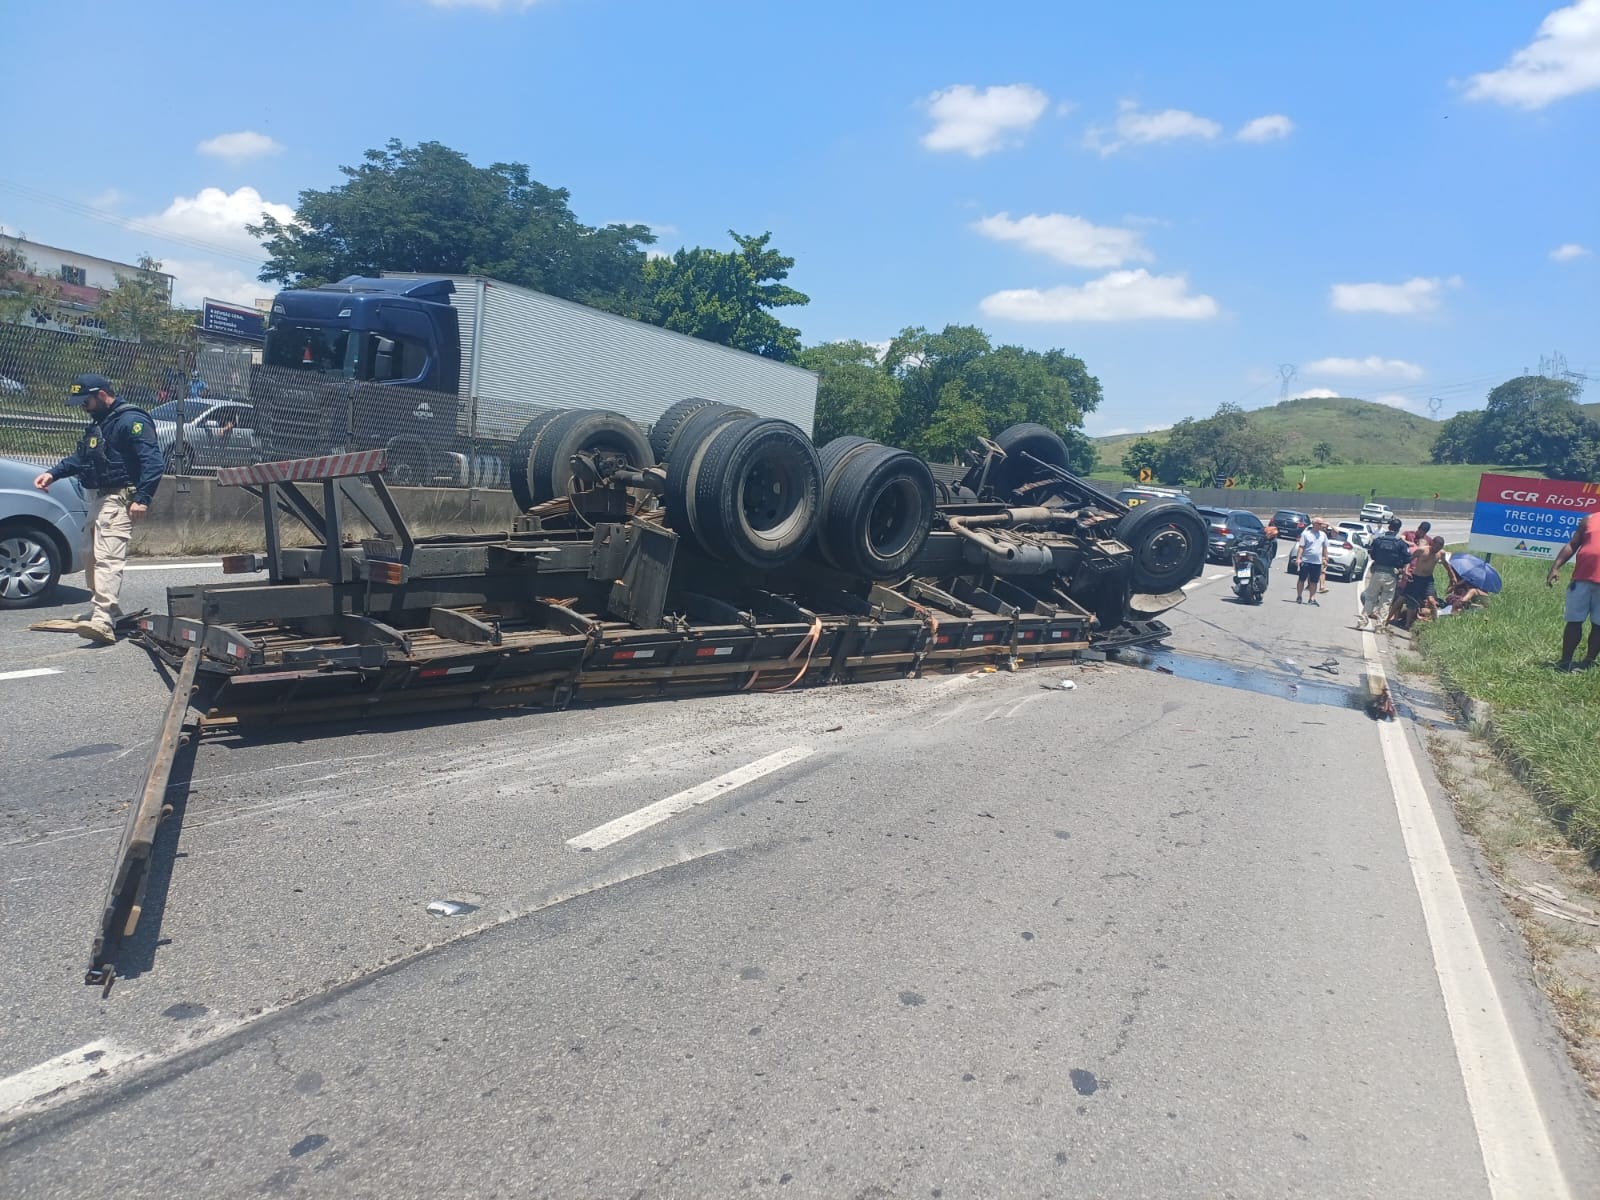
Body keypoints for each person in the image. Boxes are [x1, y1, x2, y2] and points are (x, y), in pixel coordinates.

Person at [32, 373, 164, 645]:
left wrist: (142, 498)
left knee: (107, 558)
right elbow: (82, 458)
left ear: (102, 395)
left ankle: (103, 619)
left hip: (119, 500)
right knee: (90, 556)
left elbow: (153, 462)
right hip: (98, 500)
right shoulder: (101, 424)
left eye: (86, 401)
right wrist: (53, 473)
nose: (83, 406)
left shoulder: (132, 421)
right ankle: (108, 610)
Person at [1547, 510, 1600, 671]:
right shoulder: (1589, 519)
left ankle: (1588, 661)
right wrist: (1555, 567)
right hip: (1581, 579)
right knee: (1573, 621)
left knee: (1599, 625)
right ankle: (1565, 661)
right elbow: (1572, 544)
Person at [1358, 517, 1410, 631]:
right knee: (1386, 601)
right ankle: (1379, 626)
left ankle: (1362, 621)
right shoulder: (1400, 543)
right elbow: (1407, 559)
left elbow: (1372, 554)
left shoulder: (1379, 540)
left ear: (1389, 527)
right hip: (1391, 574)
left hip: (1377, 572)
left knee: (1370, 598)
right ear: (1398, 529)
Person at [1391, 535, 1445, 626]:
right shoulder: (1421, 550)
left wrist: (1452, 576)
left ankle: (1436, 624)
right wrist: (1406, 570)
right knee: (1403, 599)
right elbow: (1408, 560)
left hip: (1427, 579)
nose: (1437, 549)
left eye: (1439, 547)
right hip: (1415, 578)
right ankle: (1391, 618)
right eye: (1436, 546)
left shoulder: (1440, 553)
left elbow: (1445, 564)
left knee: (1431, 601)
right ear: (1432, 543)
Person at [1295, 518, 1329, 605]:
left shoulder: (1323, 535)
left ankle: (1312, 598)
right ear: (1314, 524)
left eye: (1322, 524)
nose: (1321, 525)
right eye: (1320, 523)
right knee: (1302, 579)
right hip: (1306, 561)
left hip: (1317, 562)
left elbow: (1325, 548)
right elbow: (1301, 547)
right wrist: (1298, 558)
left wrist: (1325, 558)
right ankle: (1299, 596)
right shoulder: (1306, 534)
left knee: (1314, 581)